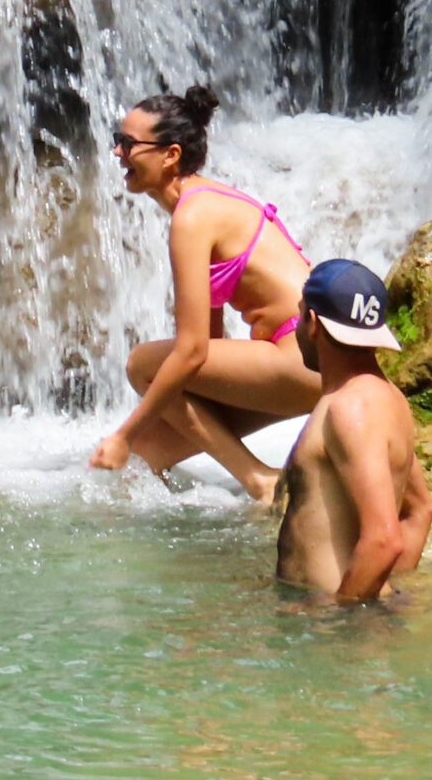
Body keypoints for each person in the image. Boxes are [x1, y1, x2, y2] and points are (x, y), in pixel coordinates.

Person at [88, 86, 319, 501]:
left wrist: (123, 433)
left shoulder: (193, 216)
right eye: (116, 141)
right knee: (145, 456)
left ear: (170, 154)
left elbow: (192, 351)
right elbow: (211, 346)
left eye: (127, 144)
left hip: (299, 360)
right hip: (309, 364)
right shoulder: (201, 206)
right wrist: (137, 439)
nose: (117, 153)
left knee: (142, 364)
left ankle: (259, 479)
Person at [277, 259, 432, 602]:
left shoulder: (351, 408)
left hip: (333, 631)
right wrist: (386, 598)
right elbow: (420, 511)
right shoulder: (387, 397)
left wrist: (342, 618)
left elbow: (384, 540)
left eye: (299, 315)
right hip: (347, 618)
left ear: (313, 322)